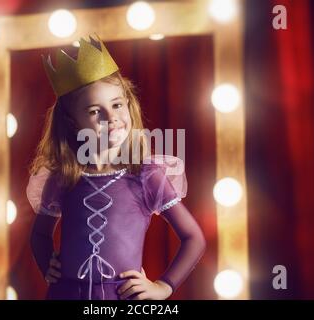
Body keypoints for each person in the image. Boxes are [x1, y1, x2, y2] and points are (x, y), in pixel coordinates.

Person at [26, 34, 206, 300]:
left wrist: (164, 286)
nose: (111, 118)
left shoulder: (145, 175)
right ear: (72, 122)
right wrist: (46, 265)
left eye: (117, 105)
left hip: (123, 297)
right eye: (94, 111)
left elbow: (194, 237)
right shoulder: (64, 177)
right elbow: (40, 234)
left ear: (128, 104)